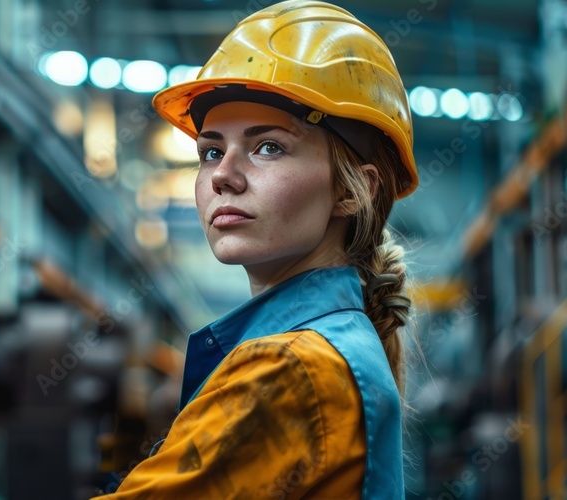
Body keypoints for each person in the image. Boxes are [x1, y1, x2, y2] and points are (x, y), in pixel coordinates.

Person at [95, 1, 419, 497]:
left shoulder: (289, 371)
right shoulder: (328, 351)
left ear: (354, 191)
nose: (222, 175)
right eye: (210, 151)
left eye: (268, 146)